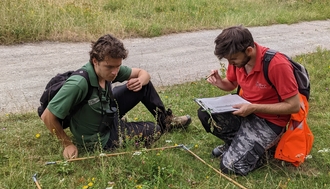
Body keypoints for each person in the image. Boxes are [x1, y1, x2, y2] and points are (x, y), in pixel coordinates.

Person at [41, 34, 191, 159]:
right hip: (99, 136)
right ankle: (158, 126)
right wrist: (67, 144)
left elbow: (143, 73)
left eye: (118, 66)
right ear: (95, 61)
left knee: (143, 85)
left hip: (108, 112)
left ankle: (166, 120)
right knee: (155, 130)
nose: (115, 72)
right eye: (110, 67)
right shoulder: (78, 84)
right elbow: (47, 116)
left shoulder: (110, 69)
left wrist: (140, 81)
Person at [197, 25, 300, 176]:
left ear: (249, 51)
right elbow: (231, 83)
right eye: (227, 60)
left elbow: (294, 106)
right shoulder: (239, 61)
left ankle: (267, 149)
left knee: (230, 167)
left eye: (233, 59)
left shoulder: (277, 65)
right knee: (206, 113)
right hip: (247, 110)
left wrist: (254, 108)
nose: (231, 64)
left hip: (270, 122)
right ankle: (238, 144)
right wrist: (220, 83)